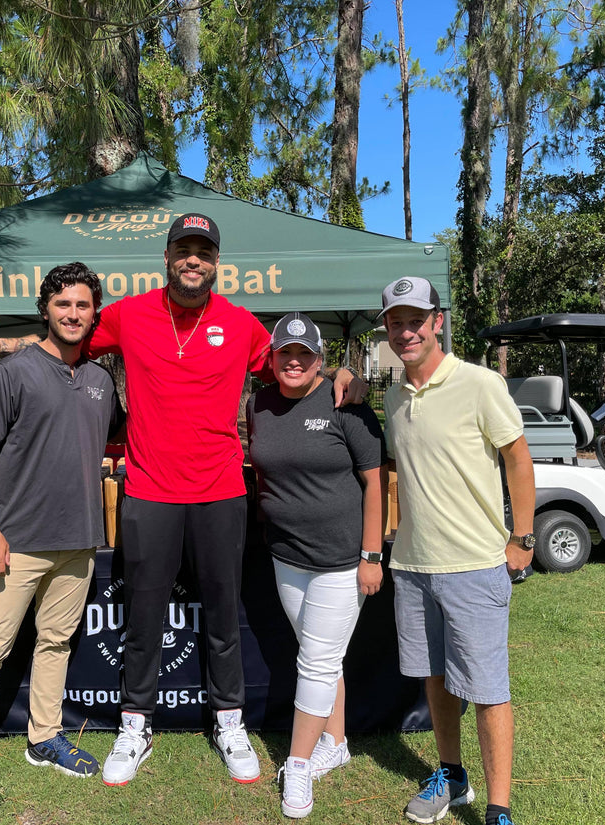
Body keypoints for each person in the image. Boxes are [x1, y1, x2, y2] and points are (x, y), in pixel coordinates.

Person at [0, 213, 366, 788]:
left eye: (203, 250)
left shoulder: (243, 325)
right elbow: (62, 343)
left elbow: (292, 372)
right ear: (168, 256)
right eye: (183, 248)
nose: (192, 259)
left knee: (224, 620)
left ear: (216, 261)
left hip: (222, 492)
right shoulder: (129, 315)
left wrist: (348, 373)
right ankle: (136, 724)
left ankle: (230, 722)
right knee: (143, 619)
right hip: (148, 491)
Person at [0, 263, 125, 825]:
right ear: (46, 308)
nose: (73, 314)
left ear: (95, 312)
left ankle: (44, 737)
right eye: (63, 304)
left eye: (83, 306)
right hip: (16, 540)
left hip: (80, 539)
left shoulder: (98, 379)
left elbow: (108, 437)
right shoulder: (16, 370)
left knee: (56, 642)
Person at [380, 277, 535, 825]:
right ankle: (452, 776)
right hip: (414, 568)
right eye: (396, 322)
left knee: (489, 690)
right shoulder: (394, 396)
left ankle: (498, 808)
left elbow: (518, 457)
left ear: (437, 322)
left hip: (475, 566)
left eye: (416, 320)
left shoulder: (480, 383)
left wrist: (522, 537)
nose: (406, 332)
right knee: (436, 681)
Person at [245, 312, 384, 818]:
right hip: (287, 556)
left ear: (321, 361)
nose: (295, 361)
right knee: (320, 654)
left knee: (318, 660)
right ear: (273, 358)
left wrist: (372, 555)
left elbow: (374, 481)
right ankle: (337, 742)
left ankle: (299, 765)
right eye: (286, 353)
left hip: (342, 560)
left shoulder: (345, 401)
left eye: (305, 354)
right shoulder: (258, 403)